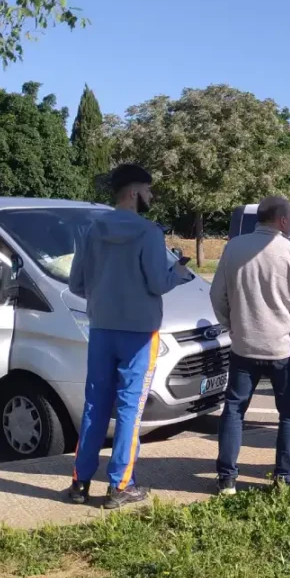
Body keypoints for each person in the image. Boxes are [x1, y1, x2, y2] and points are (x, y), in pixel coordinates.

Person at [67, 164, 194, 508]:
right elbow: (158, 283)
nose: (151, 197)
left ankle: (79, 483)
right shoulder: (148, 232)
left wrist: (103, 296)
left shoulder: (91, 230)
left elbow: (76, 284)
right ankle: (120, 486)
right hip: (139, 334)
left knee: (95, 405)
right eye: (149, 191)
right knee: (129, 408)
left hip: (101, 328)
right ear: (135, 192)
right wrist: (178, 271)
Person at [210, 196, 290, 495]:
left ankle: (227, 478)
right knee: (289, 413)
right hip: (285, 347)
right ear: (282, 220)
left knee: (234, 410)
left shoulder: (233, 248)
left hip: (244, 345)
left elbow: (217, 295)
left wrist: (232, 325)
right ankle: (284, 477)